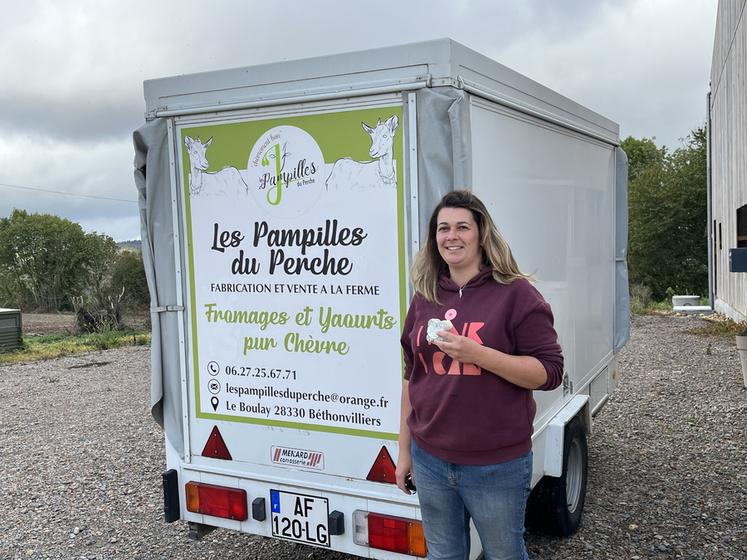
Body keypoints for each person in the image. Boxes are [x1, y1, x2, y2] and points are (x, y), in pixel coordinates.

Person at [395, 190, 563, 560]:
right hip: (431, 460)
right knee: (443, 555)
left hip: (496, 465)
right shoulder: (425, 295)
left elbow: (549, 372)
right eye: (443, 228)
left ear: (481, 234)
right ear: (434, 237)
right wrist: (405, 450)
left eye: (462, 227)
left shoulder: (516, 294)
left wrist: (478, 354)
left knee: (504, 554)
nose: (451, 236)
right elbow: (412, 375)